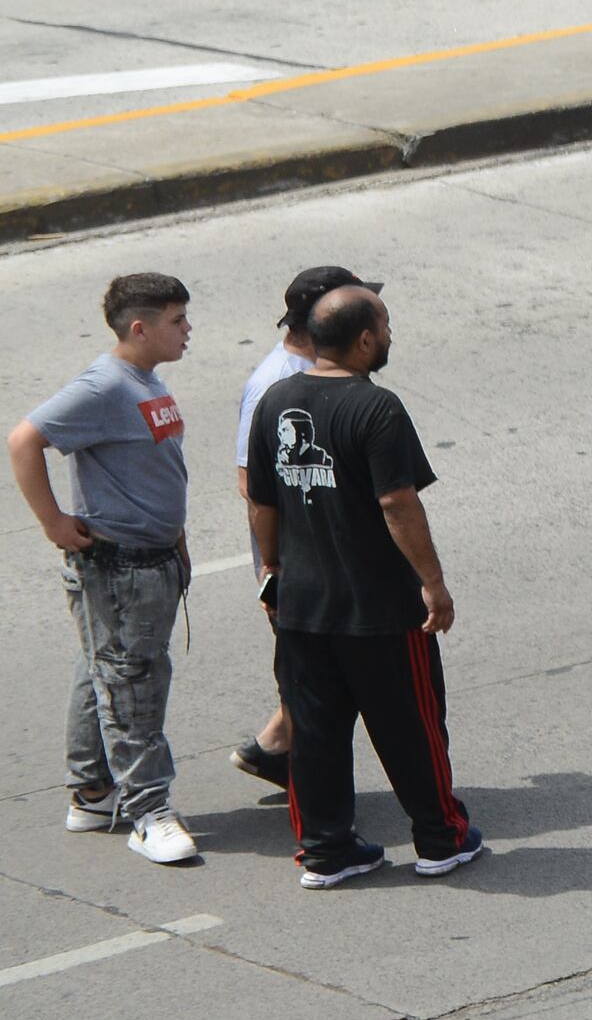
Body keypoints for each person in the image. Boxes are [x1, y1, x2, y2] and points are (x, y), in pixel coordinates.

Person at [244, 285, 476, 883]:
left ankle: (326, 851)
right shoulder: (377, 409)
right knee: (412, 727)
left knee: (315, 733)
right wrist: (434, 583)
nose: (391, 336)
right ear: (366, 338)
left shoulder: (274, 400)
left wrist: (271, 570)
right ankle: (440, 838)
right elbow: (397, 502)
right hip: (379, 609)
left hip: (301, 607)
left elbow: (261, 501)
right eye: (387, 326)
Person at [21, 270, 202, 866]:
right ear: (140, 327)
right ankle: (148, 810)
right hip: (117, 566)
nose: (187, 330)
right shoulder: (104, 385)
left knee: (100, 668)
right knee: (132, 687)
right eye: (177, 321)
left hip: (152, 560)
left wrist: (174, 536)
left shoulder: (144, 380)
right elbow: (25, 440)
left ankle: (93, 791)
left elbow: (155, 468)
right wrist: (53, 522)